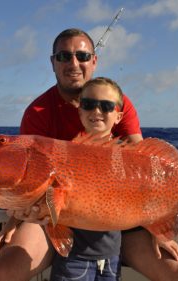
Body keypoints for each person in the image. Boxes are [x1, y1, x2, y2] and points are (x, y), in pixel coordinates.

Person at [0, 28, 178, 281]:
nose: (74, 63)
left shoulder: (117, 102)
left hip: (118, 216)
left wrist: (158, 229)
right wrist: (13, 223)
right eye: (64, 56)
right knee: (3, 271)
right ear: (53, 62)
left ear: (94, 61)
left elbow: (145, 167)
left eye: (82, 56)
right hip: (54, 214)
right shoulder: (38, 112)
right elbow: (30, 178)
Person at [50, 77, 133, 281]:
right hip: (73, 259)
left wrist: (159, 233)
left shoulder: (127, 159)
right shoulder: (65, 155)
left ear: (119, 116)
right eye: (88, 105)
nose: (96, 111)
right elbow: (51, 202)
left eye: (106, 106)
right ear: (79, 111)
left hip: (112, 258)